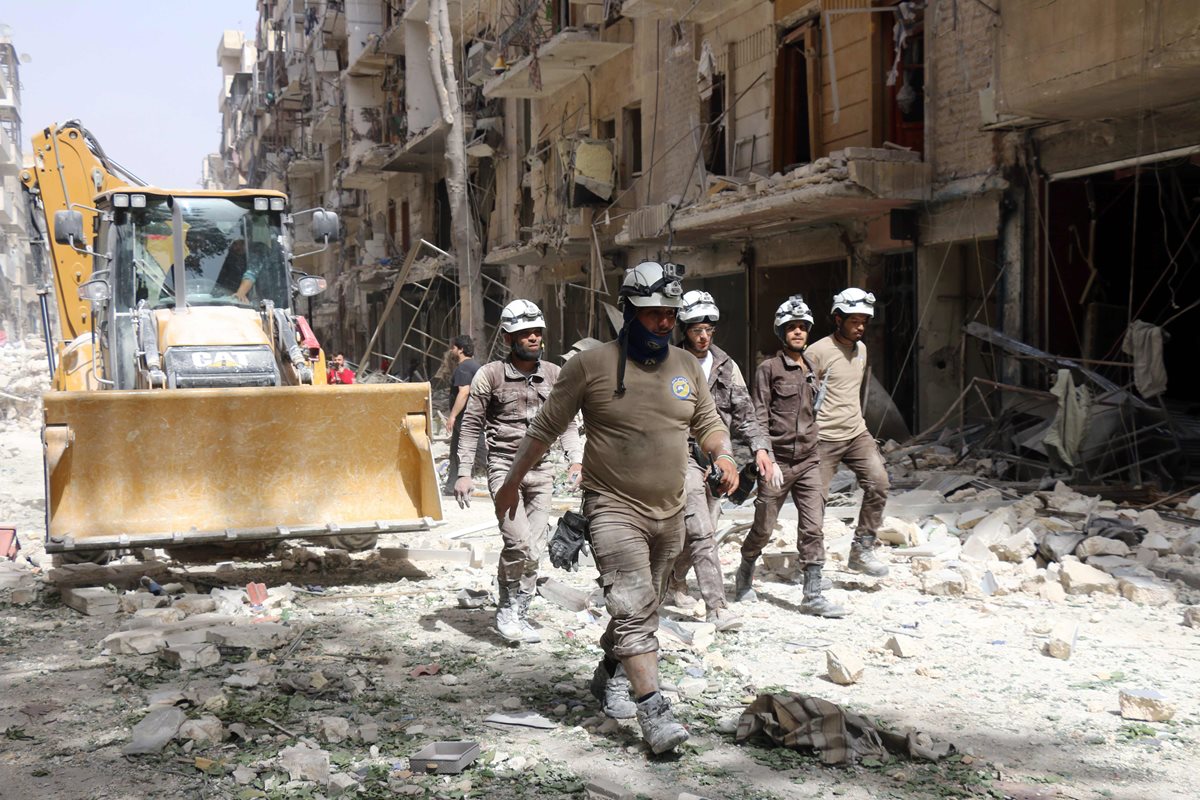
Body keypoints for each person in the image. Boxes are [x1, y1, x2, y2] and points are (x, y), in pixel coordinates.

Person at [494, 262, 737, 755]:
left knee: (646, 605)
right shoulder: (591, 365)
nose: (665, 323)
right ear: (628, 311)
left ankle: (609, 672)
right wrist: (510, 483)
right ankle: (654, 711)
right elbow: (543, 430)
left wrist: (724, 454)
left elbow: (707, 421)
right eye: (653, 314)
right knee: (630, 605)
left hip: (670, 512)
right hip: (611, 507)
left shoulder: (688, 367)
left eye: (670, 313)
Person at [453, 300, 583, 644]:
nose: (533, 338)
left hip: (542, 472)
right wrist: (464, 472)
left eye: (537, 331)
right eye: (525, 333)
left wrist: (575, 459)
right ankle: (508, 608)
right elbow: (471, 425)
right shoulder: (490, 375)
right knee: (519, 543)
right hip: (504, 470)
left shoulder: (555, 375)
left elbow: (568, 423)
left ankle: (518, 611)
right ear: (509, 338)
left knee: (534, 549)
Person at [667, 291, 774, 632]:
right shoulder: (668, 362)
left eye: (708, 329)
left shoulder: (726, 366)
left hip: (718, 458)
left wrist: (760, 447)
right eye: (696, 329)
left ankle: (673, 581)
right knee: (700, 528)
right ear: (684, 329)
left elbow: (745, 412)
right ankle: (717, 606)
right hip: (679, 455)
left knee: (704, 529)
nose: (703, 335)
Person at [735, 295, 846, 617]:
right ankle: (745, 572)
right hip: (777, 462)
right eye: (791, 327)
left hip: (810, 460)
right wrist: (763, 455)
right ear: (781, 332)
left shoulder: (812, 368)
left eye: (802, 327)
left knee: (813, 526)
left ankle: (812, 595)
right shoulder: (768, 369)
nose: (798, 332)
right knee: (764, 527)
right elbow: (757, 415)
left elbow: (815, 412)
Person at [805, 288, 890, 578]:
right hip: (823, 439)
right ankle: (812, 567)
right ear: (837, 319)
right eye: (854, 321)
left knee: (879, 483)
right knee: (815, 503)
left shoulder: (862, 350)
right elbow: (801, 395)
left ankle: (862, 550)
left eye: (864, 322)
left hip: (856, 433)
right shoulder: (816, 352)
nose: (861, 327)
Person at [442, 335, 484, 495]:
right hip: (469, 416)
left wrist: (452, 416)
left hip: (466, 417)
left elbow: (464, 392)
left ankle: (505, 475)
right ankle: (451, 486)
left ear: (460, 349)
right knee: (455, 452)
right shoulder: (473, 366)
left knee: (479, 448)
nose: (451, 351)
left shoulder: (464, 368)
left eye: (453, 348)